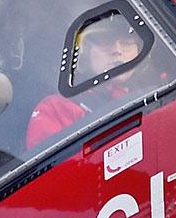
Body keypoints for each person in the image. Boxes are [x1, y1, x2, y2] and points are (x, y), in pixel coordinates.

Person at [24, 14, 147, 150]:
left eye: (126, 42)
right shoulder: (56, 107)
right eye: (105, 42)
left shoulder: (158, 89)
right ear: (84, 53)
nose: (117, 50)